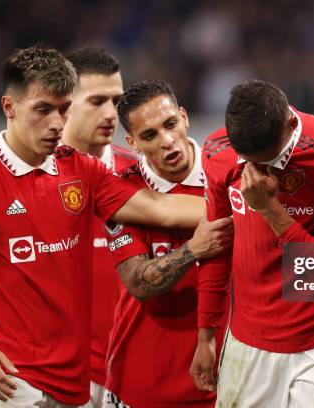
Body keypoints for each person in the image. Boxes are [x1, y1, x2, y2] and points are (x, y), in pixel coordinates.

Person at [0, 46, 225, 407]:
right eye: (43, 110)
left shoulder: (81, 170)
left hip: (75, 385)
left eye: (64, 109)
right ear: (10, 108)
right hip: (8, 382)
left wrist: (246, 206)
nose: (57, 122)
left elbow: (162, 209)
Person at [191, 80, 314, 407]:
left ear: (290, 124)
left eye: (267, 159)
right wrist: (205, 334)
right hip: (248, 342)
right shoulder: (217, 151)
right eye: (247, 160)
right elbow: (216, 247)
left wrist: (270, 210)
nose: (256, 171)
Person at [98, 79, 231, 407]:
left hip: (227, 380)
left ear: (184, 117)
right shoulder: (124, 192)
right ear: (132, 142)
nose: (168, 141)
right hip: (143, 384)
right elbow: (138, 283)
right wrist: (192, 250)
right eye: (150, 135)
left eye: (170, 124)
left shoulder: (231, 173)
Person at [60, 46, 132, 408]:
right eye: (97, 101)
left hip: (128, 380)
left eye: (117, 101)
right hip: (52, 381)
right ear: (64, 103)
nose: (111, 114)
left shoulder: (142, 176)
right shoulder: (27, 178)